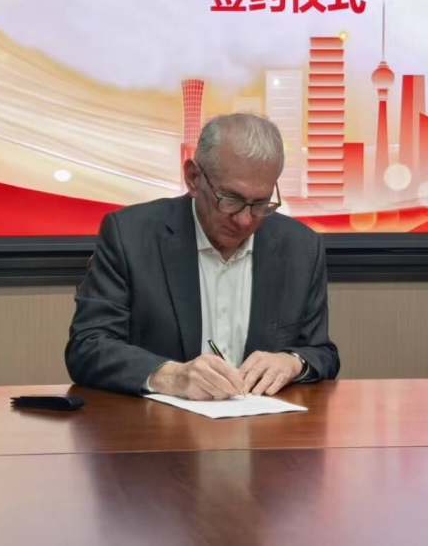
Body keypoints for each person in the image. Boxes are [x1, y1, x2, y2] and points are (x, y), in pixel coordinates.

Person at [66, 113, 340, 398]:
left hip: (266, 423)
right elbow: (87, 347)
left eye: (261, 203)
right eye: (231, 199)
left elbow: (322, 352)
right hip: (158, 423)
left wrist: (292, 362)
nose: (245, 220)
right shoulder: (130, 236)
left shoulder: (300, 247)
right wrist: (170, 376)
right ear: (193, 178)